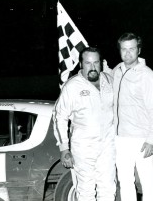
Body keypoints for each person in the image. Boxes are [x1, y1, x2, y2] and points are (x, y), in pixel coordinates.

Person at [53, 47, 116, 201]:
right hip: (83, 147)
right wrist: (64, 148)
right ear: (81, 64)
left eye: (96, 63)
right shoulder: (72, 86)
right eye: (88, 63)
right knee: (86, 191)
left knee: (108, 189)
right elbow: (59, 117)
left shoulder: (109, 81)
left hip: (108, 145)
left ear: (101, 63)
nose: (92, 67)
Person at [108, 33, 153, 201]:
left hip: (142, 139)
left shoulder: (147, 76)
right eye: (124, 49)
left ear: (138, 50)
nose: (127, 53)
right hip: (120, 138)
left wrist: (152, 140)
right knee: (125, 182)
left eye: (131, 49)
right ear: (119, 51)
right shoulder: (117, 70)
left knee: (147, 183)